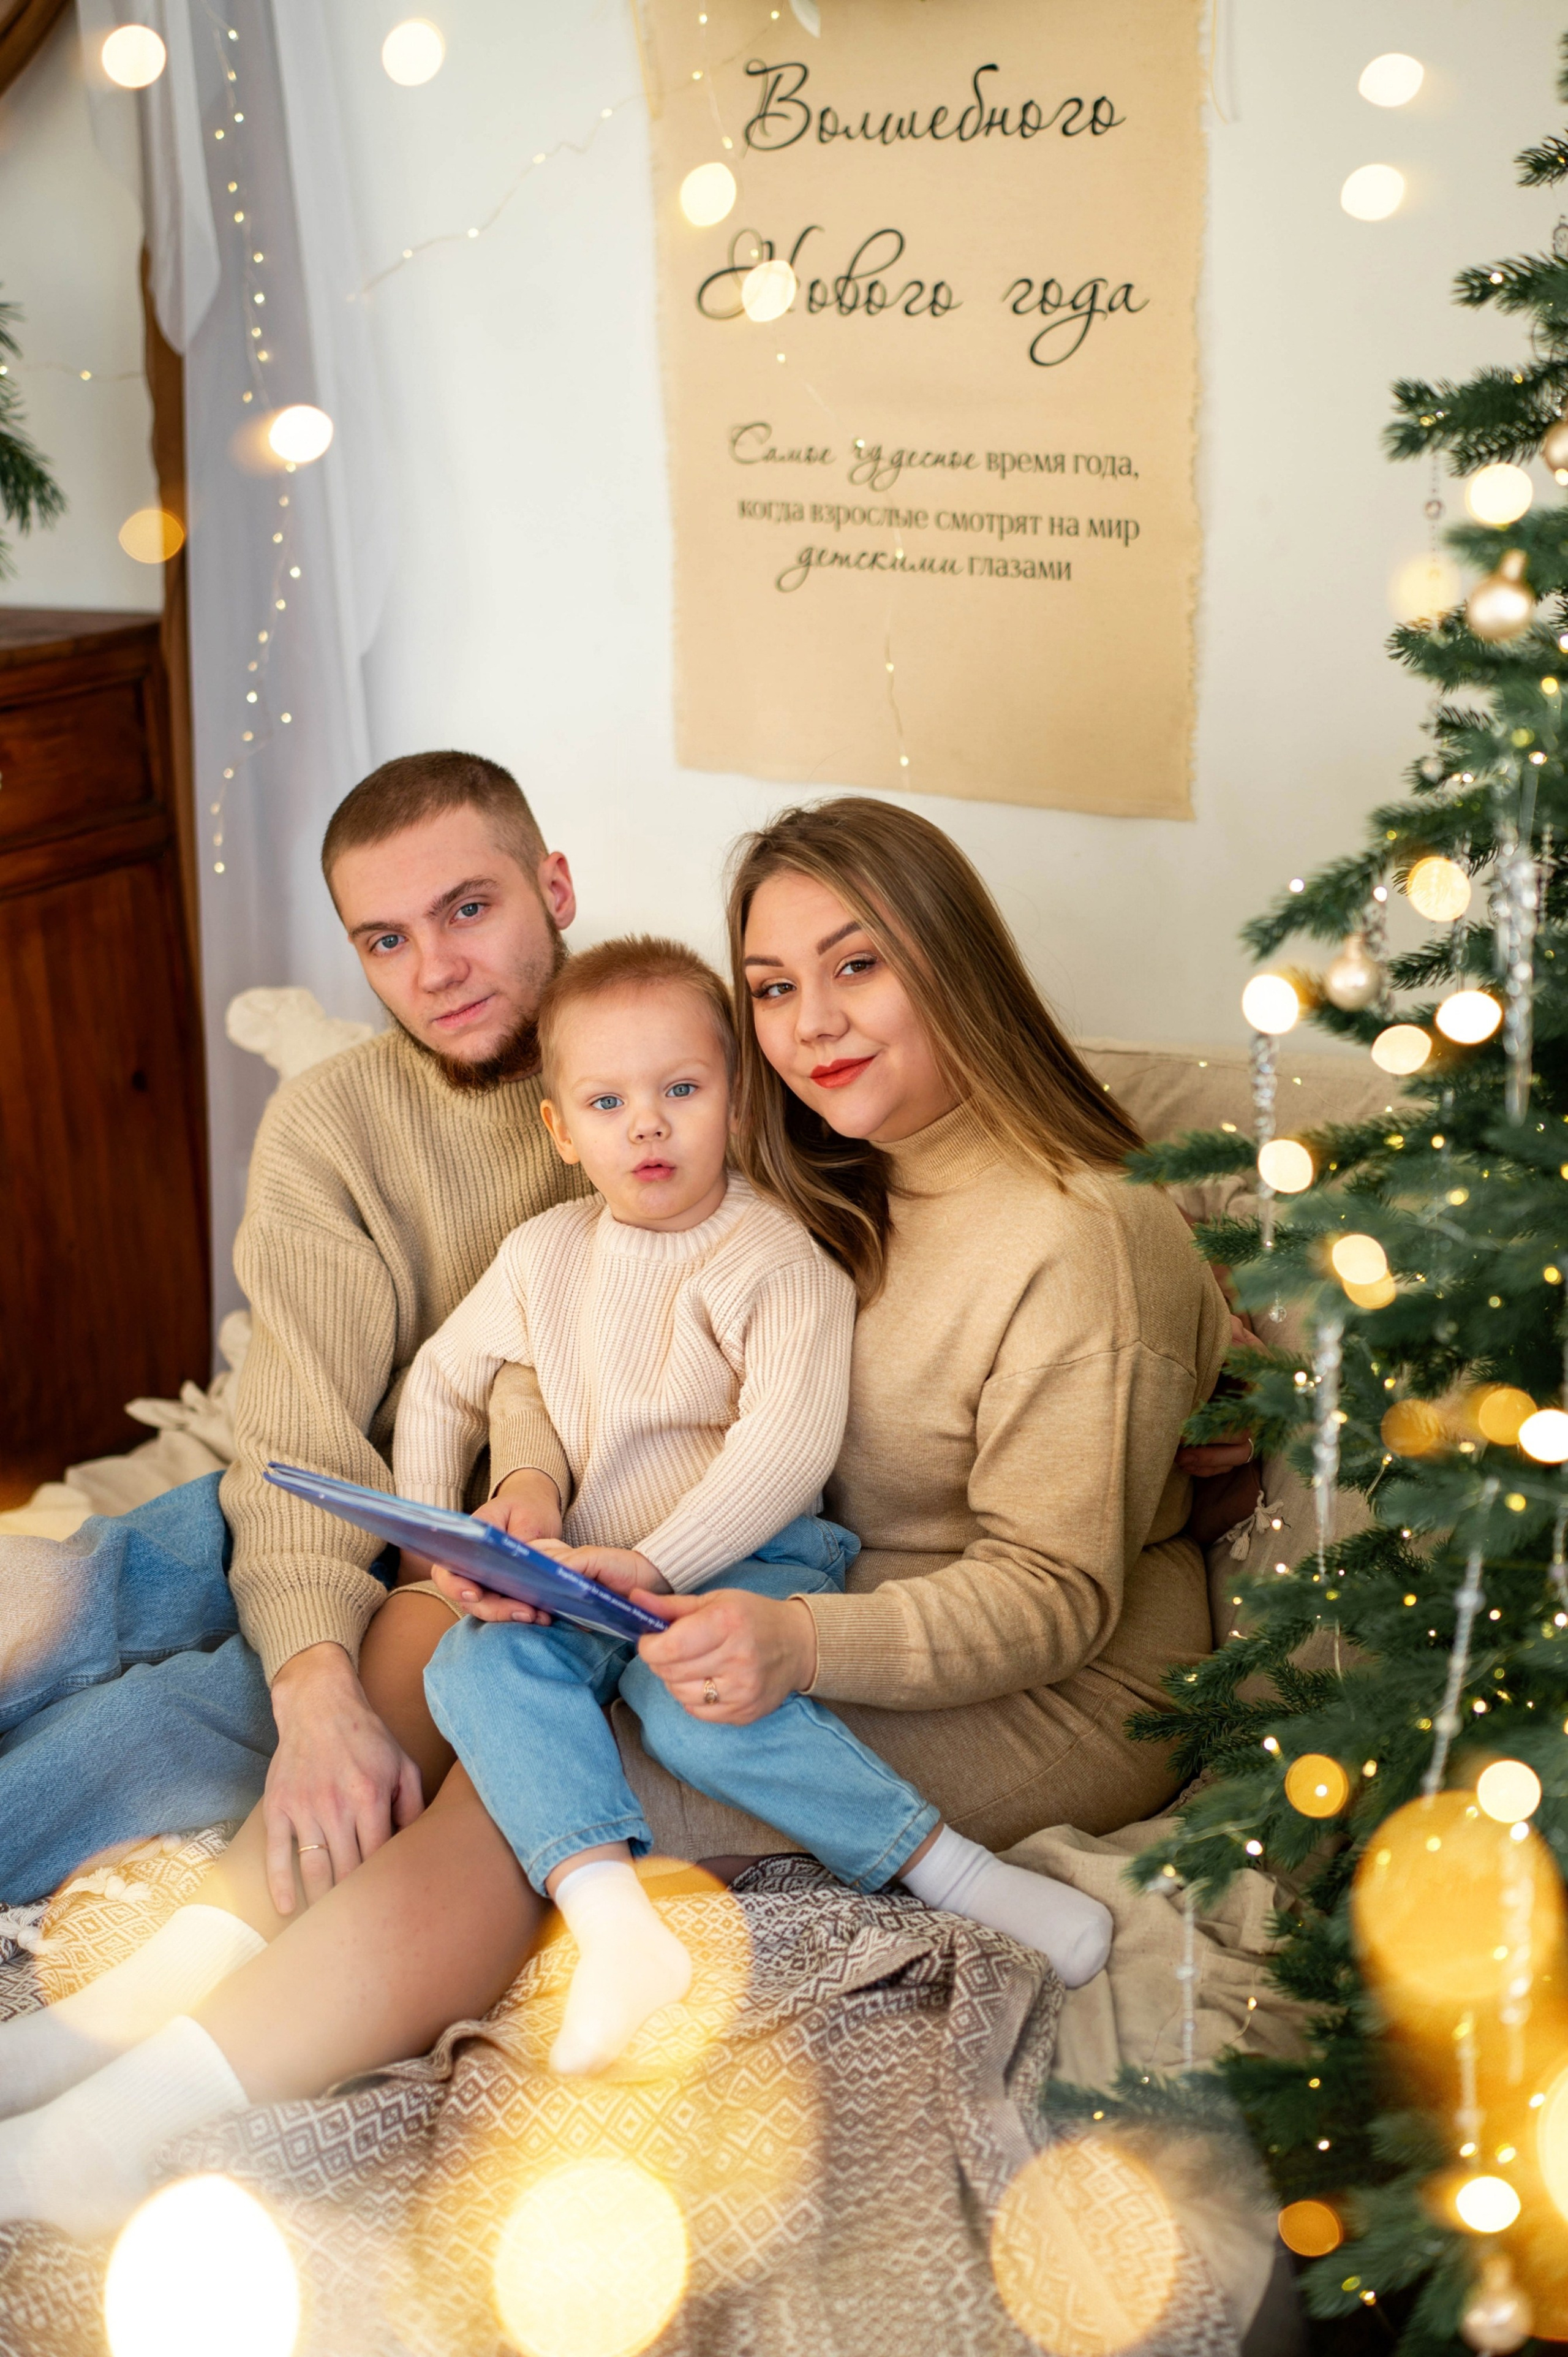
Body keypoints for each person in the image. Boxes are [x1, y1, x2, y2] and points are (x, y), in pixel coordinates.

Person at [0, 796, 1226, 2239]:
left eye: (858, 967)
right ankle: (135, 1998)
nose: (812, 1023)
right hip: (757, 1591)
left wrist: (795, 1641)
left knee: (537, 1777)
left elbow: (1053, 1597)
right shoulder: (819, 1155)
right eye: (772, 987)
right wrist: (517, 1498)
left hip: (1028, 1670)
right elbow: (572, 1337)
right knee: (418, 1653)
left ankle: (116, 2129)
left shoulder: (1081, 1235)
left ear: (950, 960)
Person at [405, 935, 1112, 2076]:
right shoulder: (544, 1255)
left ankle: (957, 1873)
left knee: (687, 1706)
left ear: (735, 1105)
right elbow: (442, 1379)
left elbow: (783, 1449)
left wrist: (658, 1561)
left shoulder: (772, 1255)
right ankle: (617, 1928)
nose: (647, 1125)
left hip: (752, 1552)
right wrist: (441, 1539)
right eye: (607, 1101)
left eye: (681, 1091)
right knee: (472, 1670)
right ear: (560, 1130)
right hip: (589, 1565)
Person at [0, 752, 588, 1904]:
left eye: (469, 909)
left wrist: (329, 1702)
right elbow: (300, 1429)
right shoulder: (333, 1118)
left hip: (483, 1575)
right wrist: (313, 1690)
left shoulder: (667, 1073)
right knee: (60, 1596)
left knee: (132, 1744)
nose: (436, 971)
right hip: (309, 1505)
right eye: (386, 940)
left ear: (554, 888)